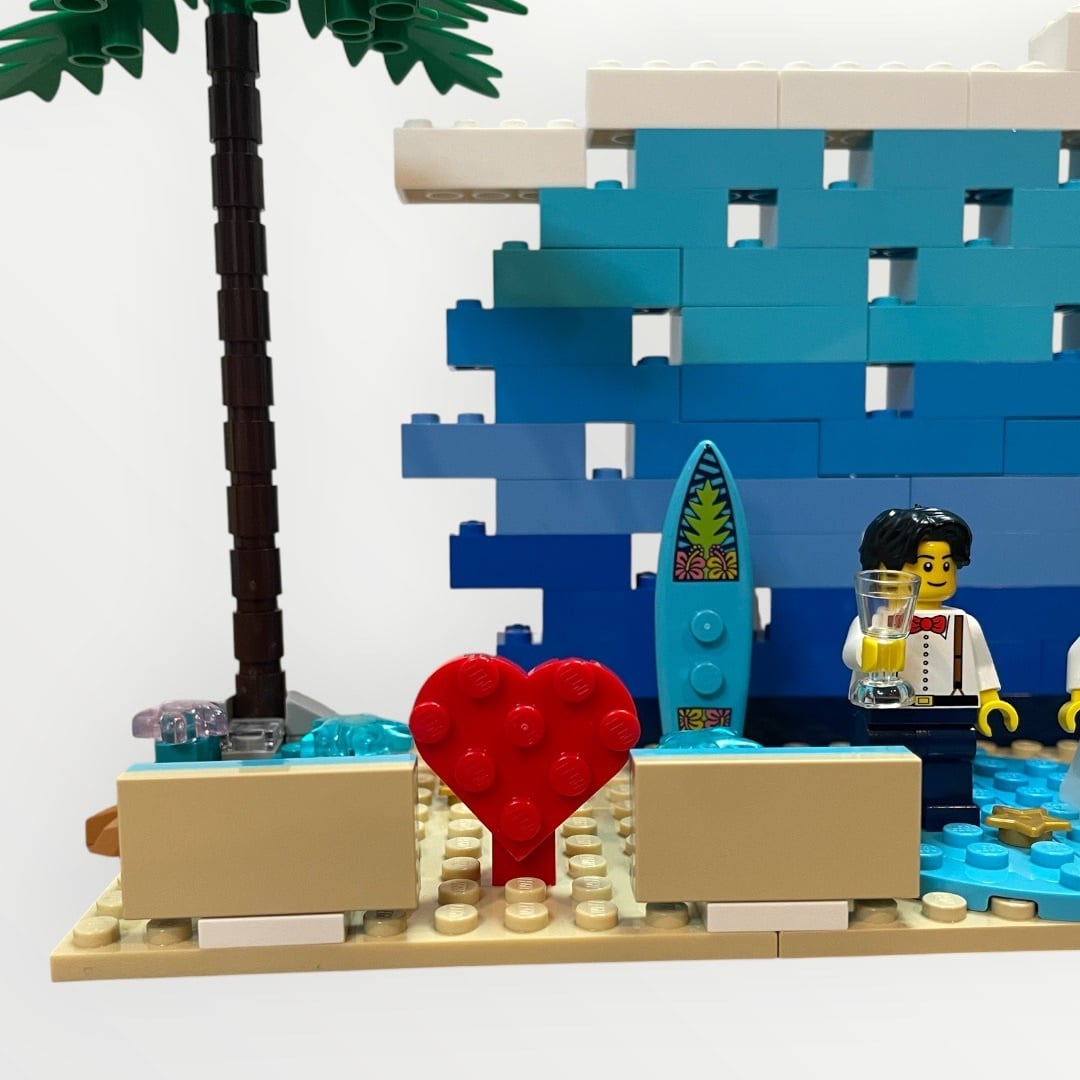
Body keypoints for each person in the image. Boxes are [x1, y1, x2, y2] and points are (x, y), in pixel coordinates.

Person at [842, 506, 1016, 830]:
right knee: (884, 764)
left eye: (946, 565)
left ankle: (946, 808)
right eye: (925, 565)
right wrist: (872, 649)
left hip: (951, 714)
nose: (938, 574)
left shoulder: (964, 623)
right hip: (887, 712)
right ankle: (881, 807)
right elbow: (852, 653)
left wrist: (990, 701)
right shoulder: (877, 617)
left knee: (950, 762)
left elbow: (981, 666)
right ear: (885, 569)